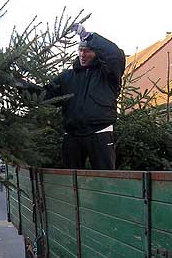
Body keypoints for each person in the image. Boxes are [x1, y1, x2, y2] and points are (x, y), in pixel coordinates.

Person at [45, 29, 125, 170]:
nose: (83, 54)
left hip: (101, 132)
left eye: (87, 51)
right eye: (80, 50)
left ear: (96, 52)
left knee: (105, 180)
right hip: (72, 135)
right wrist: (20, 85)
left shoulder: (108, 74)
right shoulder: (67, 77)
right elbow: (45, 94)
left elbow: (115, 55)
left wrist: (89, 36)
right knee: (72, 181)